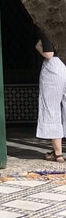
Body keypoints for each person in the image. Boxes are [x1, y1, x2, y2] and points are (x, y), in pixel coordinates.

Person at [35, 32, 66, 162]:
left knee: (52, 109)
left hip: (55, 67)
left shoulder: (50, 25)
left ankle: (58, 154)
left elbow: (49, 53)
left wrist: (38, 46)